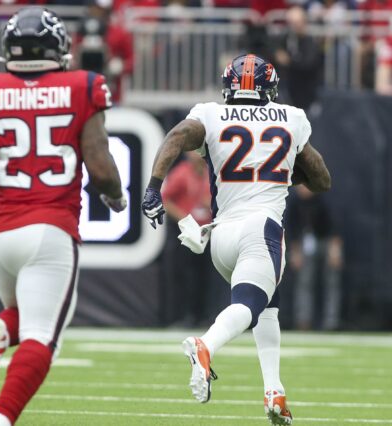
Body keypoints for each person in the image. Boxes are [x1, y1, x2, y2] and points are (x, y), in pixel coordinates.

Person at [0, 8, 127, 426]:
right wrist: (116, 197)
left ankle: (1, 331)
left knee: (27, 316)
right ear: (59, 49)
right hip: (49, 229)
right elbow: (100, 166)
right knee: (44, 335)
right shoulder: (82, 85)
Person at [141, 53, 331, 425]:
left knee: (265, 307)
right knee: (250, 303)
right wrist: (284, 173)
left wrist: (153, 188)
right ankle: (206, 344)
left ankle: (274, 391)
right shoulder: (292, 118)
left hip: (221, 235)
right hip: (261, 230)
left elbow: (178, 135)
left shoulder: (211, 113)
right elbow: (323, 179)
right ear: (271, 88)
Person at [161, 151, 212, 327]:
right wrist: (184, 219)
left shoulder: (210, 173)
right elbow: (165, 200)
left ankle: (202, 315)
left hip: (206, 231)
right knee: (185, 275)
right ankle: (183, 316)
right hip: (187, 232)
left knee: (204, 276)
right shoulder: (182, 172)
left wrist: (211, 205)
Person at [286, 185, 343, 331]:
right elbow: (291, 229)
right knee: (304, 282)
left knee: (332, 281)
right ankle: (303, 321)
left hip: (326, 241)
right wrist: (295, 253)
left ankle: (332, 322)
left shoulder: (324, 200)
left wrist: (335, 251)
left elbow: (335, 226)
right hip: (304, 243)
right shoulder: (294, 202)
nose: (302, 189)